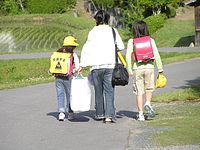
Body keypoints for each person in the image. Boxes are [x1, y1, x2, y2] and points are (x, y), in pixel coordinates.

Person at [78, 10, 125, 123]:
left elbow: (86, 49)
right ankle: (108, 116)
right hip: (109, 65)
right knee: (109, 91)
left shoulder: (92, 32)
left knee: (98, 91)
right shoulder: (113, 31)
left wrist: (82, 65)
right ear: (107, 19)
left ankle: (100, 114)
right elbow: (121, 46)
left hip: (96, 66)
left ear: (97, 19)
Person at [126, 20, 164, 121]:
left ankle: (141, 114)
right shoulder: (150, 40)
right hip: (149, 67)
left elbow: (128, 55)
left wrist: (129, 68)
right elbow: (156, 55)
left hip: (137, 68)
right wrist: (160, 69)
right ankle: (147, 103)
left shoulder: (132, 41)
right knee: (149, 88)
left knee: (139, 91)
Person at [52, 36, 79, 121]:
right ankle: (70, 113)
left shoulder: (58, 53)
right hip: (69, 77)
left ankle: (61, 113)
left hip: (58, 77)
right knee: (70, 95)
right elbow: (77, 67)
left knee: (60, 94)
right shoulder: (73, 55)